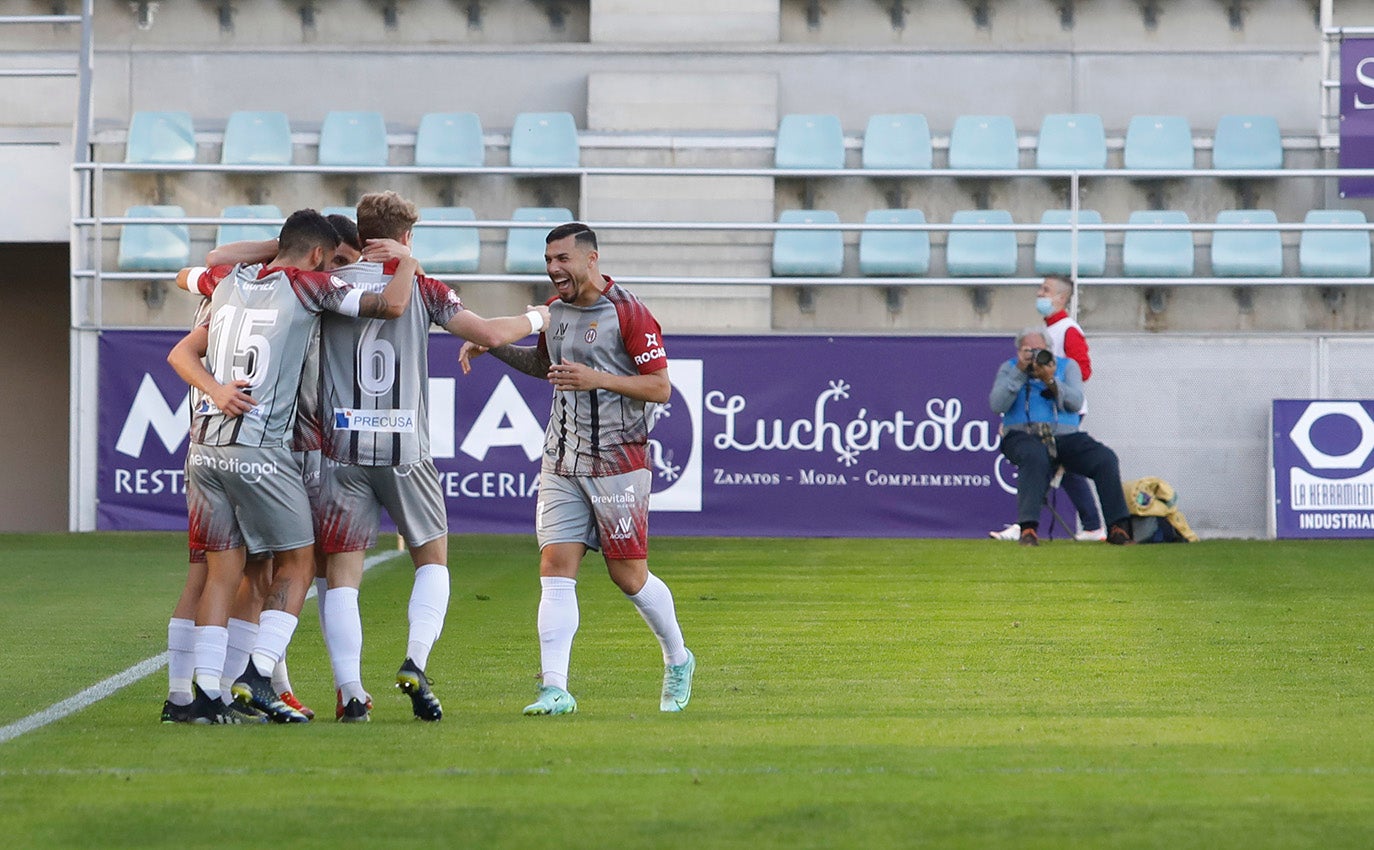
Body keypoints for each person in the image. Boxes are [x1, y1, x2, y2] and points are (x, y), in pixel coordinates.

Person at [167, 208, 418, 723]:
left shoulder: (229, 282)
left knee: (222, 573)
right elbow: (392, 305)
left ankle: (198, 697)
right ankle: (258, 677)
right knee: (298, 562)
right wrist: (408, 260)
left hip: (205, 448)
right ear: (322, 256)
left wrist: (216, 390)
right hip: (264, 450)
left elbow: (197, 275)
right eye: (335, 260)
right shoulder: (310, 286)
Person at [314, 191, 552, 722]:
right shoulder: (422, 288)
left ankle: (351, 692)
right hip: (404, 448)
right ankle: (415, 663)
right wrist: (537, 317)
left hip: (343, 446)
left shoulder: (328, 287)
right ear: (405, 239)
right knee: (433, 559)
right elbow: (489, 334)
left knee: (343, 575)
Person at [458, 222, 696, 716]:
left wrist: (596, 378)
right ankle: (555, 688)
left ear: (592, 259)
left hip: (618, 461)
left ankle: (677, 658)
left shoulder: (629, 313)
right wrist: (495, 347)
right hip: (560, 458)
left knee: (628, 577)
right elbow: (543, 365)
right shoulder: (554, 313)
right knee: (555, 568)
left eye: (562, 259)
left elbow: (661, 388)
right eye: (549, 259)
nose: (553, 269)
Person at [989, 327, 1135, 547]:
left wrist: (1051, 380)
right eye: (1028, 351)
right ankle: (1028, 529)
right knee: (1034, 455)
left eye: (1039, 350)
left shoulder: (1067, 367)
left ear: (1049, 349)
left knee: (1105, 459)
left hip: (1064, 436)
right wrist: (1019, 372)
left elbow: (1075, 402)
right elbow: (996, 404)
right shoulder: (1009, 369)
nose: (1034, 356)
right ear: (1019, 351)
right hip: (1022, 435)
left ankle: (1118, 528)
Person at [990, 274, 1106, 541]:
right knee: (1061, 468)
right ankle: (1091, 525)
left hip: (1062, 408)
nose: (1039, 293)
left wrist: (1053, 378)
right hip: (1045, 408)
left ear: (1062, 298)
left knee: (1054, 463)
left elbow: (1083, 370)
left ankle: (1028, 523)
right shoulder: (1048, 330)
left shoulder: (1068, 330)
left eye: (1046, 290)